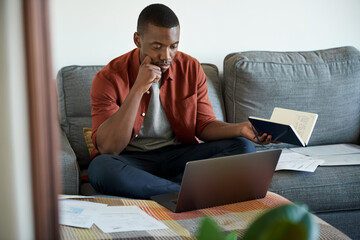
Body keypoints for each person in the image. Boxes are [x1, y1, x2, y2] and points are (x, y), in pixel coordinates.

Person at [88, 3, 272, 199]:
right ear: (137, 39)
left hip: (179, 155)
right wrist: (138, 89)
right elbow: (109, 147)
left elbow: (204, 125)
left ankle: (166, 191)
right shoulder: (108, 77)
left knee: (242, 147)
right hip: (132, 160)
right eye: (157, 46)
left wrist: (240, 128)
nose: (166, 56)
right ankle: (186, 192)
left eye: (173, 46)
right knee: (101, 168)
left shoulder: (191, 68)